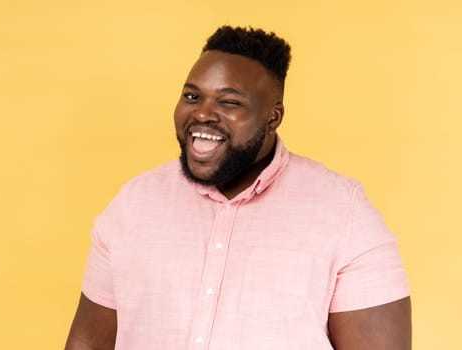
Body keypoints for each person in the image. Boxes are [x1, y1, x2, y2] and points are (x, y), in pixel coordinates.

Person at [65, 26, 411, 350]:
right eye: (192, 96)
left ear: (273, 117)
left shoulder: (344, 213)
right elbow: (87, 343)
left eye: (229, 102)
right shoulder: (133, 204)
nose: (202, 114)